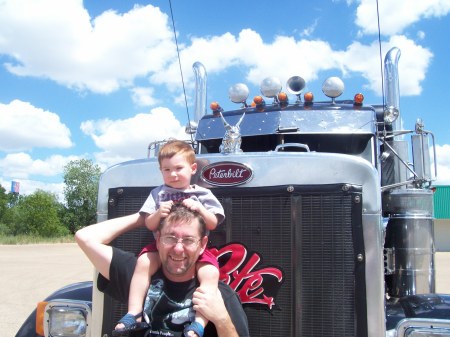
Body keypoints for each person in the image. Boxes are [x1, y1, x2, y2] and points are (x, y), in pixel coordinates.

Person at [75, 204, 249, 337]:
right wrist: (144, 217)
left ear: (202, 245)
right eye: (170, 238)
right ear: (157, 240)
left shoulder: (218, 296)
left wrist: (221, 319)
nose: (178, 249)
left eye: (188, 240)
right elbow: (85, 237)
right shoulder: (138, 277)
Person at [121, 139, 224, 337]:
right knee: (143, 262)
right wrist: (158, 213)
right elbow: (149, 224)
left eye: (178, 168)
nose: (173, 174)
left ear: (193, 168)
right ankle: (133, 314)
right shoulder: (158, 193)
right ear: (160, 171)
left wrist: (200, 208)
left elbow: (213, 223)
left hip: (194, 249)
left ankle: (199, 323)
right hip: (162, 246)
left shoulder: (203, 194)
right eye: (166, 170)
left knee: (210, 274)